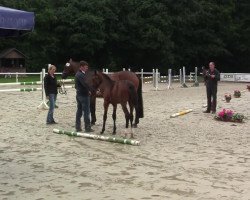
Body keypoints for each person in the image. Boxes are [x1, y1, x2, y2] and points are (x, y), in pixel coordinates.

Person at [75, 61, 94, 132]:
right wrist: (93, 90)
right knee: (86, 112)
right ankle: (87, 127)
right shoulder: (80, 75)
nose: (87, 68)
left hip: (79, 95)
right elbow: (86, 84)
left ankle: (78, 127)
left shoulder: (80, 74)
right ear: (81, 67)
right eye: (86, 67)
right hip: (84, 96)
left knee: (79, 111)